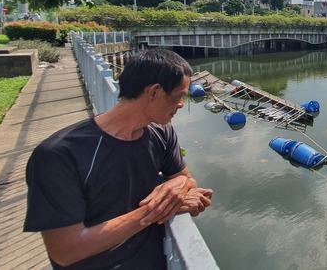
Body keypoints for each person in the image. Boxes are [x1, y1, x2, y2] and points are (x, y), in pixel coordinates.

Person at [24, 49, 213, 269]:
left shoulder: (162, 134)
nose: (181, 104)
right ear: (154, 92)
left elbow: (189, 184)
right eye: (179, 96)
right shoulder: (59, 155)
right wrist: (153, 211)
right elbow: (66, 251)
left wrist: (180, 184)